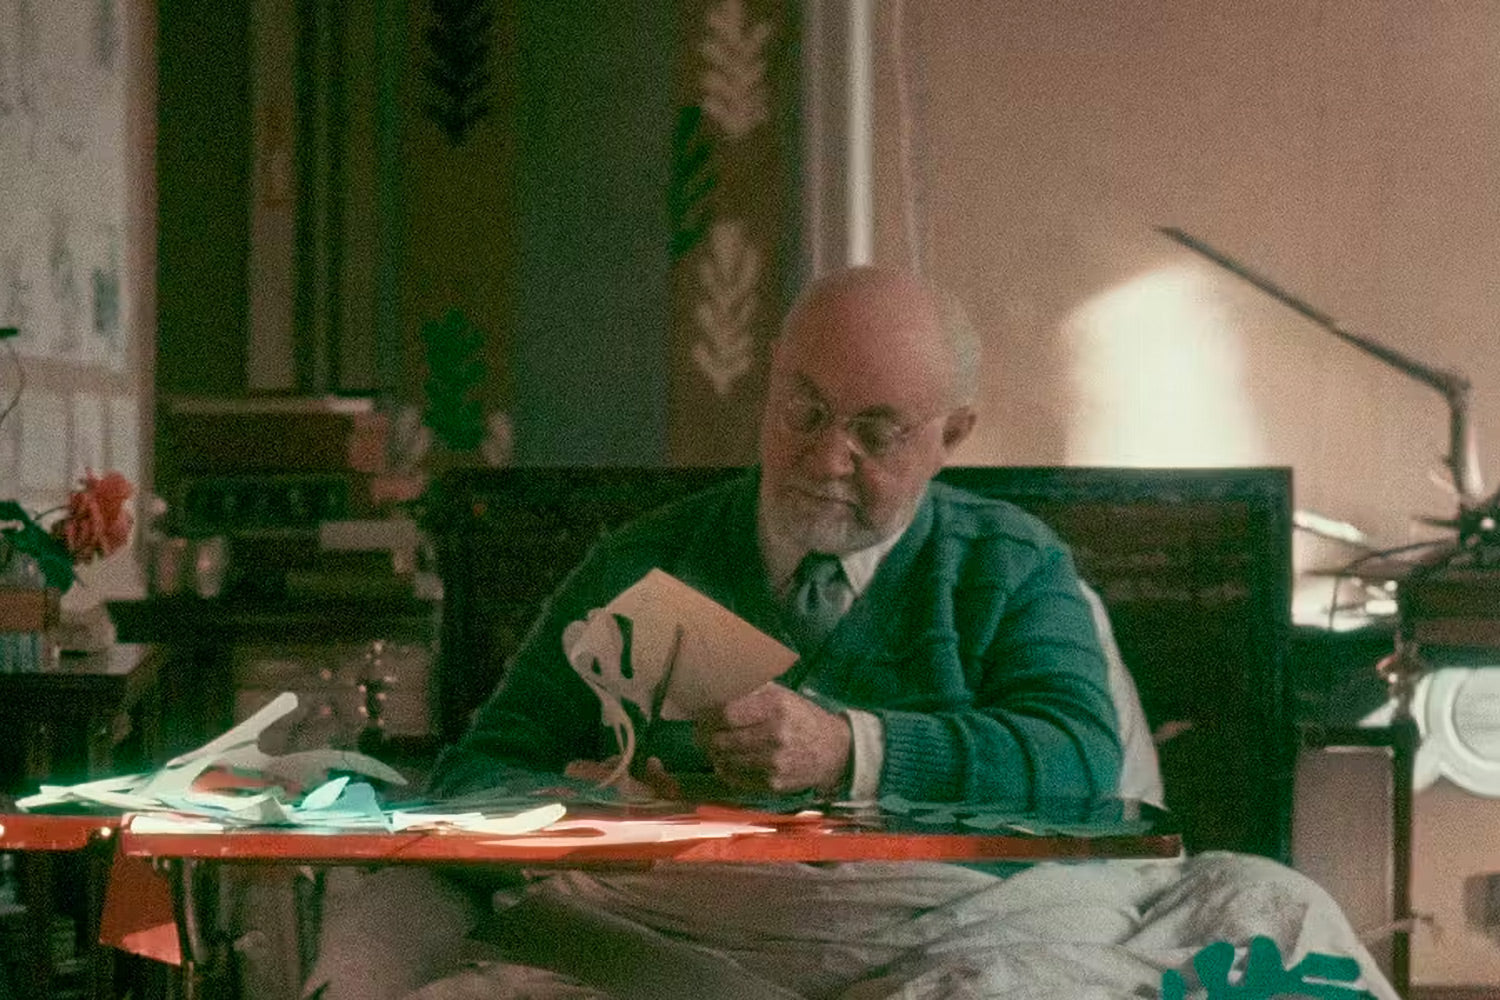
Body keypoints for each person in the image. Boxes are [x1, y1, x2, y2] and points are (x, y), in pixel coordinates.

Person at [307, 267, 1397, 1000]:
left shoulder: (1010, 564)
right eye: (804, 411)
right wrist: (584, 805)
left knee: (1271, 912)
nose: (828, 458)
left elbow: (1076, 762)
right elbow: (478, 772)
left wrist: (851, 749)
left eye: (876, 432)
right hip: (684, 931)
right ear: (769, 391)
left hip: (966, 925)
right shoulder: (645, 563)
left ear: (950, 436)